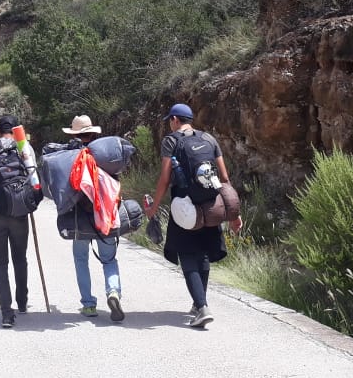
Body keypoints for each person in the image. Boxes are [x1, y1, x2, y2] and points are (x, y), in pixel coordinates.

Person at [144, 103, 242, 328]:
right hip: (212, 205)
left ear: (176, 120)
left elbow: (165, 178)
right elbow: (224, 178)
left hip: (185, 207)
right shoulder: (209, 139)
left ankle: (202, 307)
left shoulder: (171, 140)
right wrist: (234, 214)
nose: (170, 123)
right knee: (204, 255)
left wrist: (153, 207)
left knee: (188, 255)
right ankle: (199, 304)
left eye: (170, 120)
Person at [60, 114, 124, 322]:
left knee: (81, 259)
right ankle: (113, 292)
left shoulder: (72, 155)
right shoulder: (107, 154)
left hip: (80, 219)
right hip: (105, 216)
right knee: (109, 259)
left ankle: (88, 305)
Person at [0, 114, 34, 328]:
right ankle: (22, 302)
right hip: (20, 213)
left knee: (0, 263)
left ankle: (6, 313)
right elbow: (34, 178)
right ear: (15, 130)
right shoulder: (25, 148)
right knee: (20, 258)